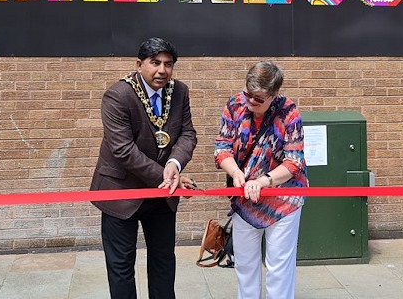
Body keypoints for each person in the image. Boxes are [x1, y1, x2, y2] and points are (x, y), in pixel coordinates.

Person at [90, 37, 198, 299]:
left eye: (168, 64)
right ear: (139, 64)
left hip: (161, 195)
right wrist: (168, 177)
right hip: (121, 193)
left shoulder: (179, 91)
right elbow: (123, 150)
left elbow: (188, 134)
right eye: (155, 63)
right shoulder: (118, 95)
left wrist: (173, 164)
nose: (162, 70)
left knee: (163, 263)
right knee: (121, 267)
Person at [214, 61, 307, 299]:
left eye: (259, 98)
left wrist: (264, 181)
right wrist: (235, 172)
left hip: (283, 199)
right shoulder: (234, 106)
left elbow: (294, 161)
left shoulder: (288, 111)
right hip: (245, 198)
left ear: (274, 95)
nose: (251, 101)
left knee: (279, 267)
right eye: (248, 94)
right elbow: (222, 148)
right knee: (245, 266)